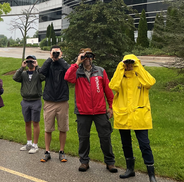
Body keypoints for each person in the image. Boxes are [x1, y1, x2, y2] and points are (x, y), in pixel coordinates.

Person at [64, 48, 117, 173]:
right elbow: (67, 77)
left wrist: (111, 107)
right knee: (83, 138)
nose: (87, 58)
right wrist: (77, 62)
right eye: (84, 56)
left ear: (93, 57)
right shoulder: (77, 72)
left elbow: (108, 90)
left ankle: (110, 162)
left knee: (105, 137)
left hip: (99, 111)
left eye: (89, 56)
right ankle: (84, 162)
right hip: (83, 111)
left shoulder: (100, 71)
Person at [109, 54, 157, 182]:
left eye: (132, 63)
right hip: (123, 114)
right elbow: (112, 86)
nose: (129, 65)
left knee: (144, 144)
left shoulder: (140, 77)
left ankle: (151, 173)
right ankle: (130, 169)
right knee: (126, 144)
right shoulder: (121, 78)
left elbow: (150, 82)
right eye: (127, 63)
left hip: (139, 116)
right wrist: (120, 68)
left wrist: (138, 67)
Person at [39, 46, 71, 162]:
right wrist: (50, 59)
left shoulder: (63, 64)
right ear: (50, 53)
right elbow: (41, 72)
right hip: (49, 101)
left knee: (63, 128)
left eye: (58, 52)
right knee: (48, 128)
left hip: (62, 101)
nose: (56, 54)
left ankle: (61, 151)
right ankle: (47, 151)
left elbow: (69, 71)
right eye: (54, 52)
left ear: (61, 53)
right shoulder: (49, 64)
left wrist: (60, 59)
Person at [13, 55, 45, 154]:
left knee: (35, 123)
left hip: (36, 100)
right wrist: (22, 67)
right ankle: (29, 143)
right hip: (25, 100)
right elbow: (15, 78)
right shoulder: (23, 74)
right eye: (28, 61)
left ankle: (35, 145)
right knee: (27, 122)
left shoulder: (38, 73)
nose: (30, 63)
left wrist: (38, 66)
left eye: (32, 61)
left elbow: (44, 76)